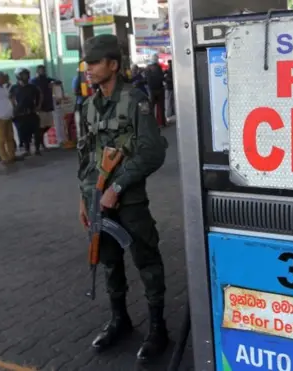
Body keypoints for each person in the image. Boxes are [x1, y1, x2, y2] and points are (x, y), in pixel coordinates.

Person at [78, 34, 168, 360]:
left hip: (129, 203)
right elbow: (86, 157)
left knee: (147, 261)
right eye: (86, 63)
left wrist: (117, 187)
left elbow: (152, 152)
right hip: (97, 201)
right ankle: (120, 320)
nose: (87, 69)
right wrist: (85, 198)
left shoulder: (135, 100)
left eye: (94, 62)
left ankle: (158, 327)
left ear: (112, 65)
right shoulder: (89, 105)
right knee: (109, 263)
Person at [10, 67, 42, 156]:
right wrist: (13, 107)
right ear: (18, 76)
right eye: (23, 74)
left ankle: (37, 149)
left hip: (31, 112)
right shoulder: (14, 87)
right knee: (24, 133)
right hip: (20, 114)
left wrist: (38, 106)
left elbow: (40, 95)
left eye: (26, 74)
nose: (26, 76)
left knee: (36, 131)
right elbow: (10, 97)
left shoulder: (32, 87)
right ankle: (27, 149)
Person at [31, 65, 58, 149]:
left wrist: (53, 83)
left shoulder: (47, 79)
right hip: (40, 107)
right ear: (37, 71)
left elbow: (58, 81)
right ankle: (40, 143)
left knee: (48, 125)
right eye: (40, 70)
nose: (42, 71)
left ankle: (40, 139)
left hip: (48, 105)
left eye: (43, 70)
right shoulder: (34, 81)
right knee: (40, 126)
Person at [146, 55, 166, 127]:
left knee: (151, 107)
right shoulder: (159, 67)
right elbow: (162, 78)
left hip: (152, 90)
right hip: (160, 90)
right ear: (157, 60)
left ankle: (150, 124)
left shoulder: (148, 68)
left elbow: (147, 79)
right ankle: (161, 122)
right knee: (160, 107)